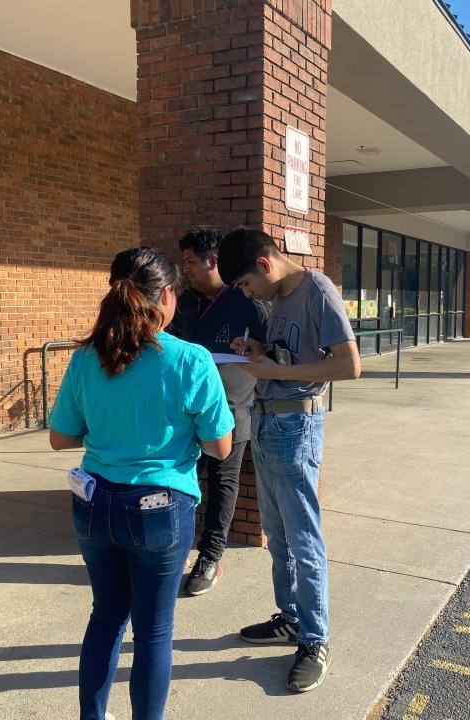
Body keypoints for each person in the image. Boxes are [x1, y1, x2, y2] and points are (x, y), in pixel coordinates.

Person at [48, 247, 234, 720]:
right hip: (161, 507)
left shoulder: (87, 356)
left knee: (106, 618)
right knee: (153, 631)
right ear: (167, 295)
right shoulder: (191, 359)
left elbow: (60, 437)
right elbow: (221, 447)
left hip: (93, 503)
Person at [217, 228, 361, 693]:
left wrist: (277, 371)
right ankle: (292, 618)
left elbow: (348, 365)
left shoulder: (317, 291)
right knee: (277, 535)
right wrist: (260, 353)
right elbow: (293, 355)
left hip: (297, 428)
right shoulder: (278, 299)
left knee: (303, 539)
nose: (245, 293)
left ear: (264, 265)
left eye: (243, 283)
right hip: (267, 421)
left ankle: (315, 639)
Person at [172, 227, 269, 597]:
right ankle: (176, 549)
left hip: (231, 409)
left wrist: (253, 350)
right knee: (182, 480)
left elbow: (270, 352)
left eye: (192, 262)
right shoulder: (183, 303)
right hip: (185, 412)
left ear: (213, 261)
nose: (188, 270)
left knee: (223, 484)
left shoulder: (248, 300)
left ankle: (210, 558)